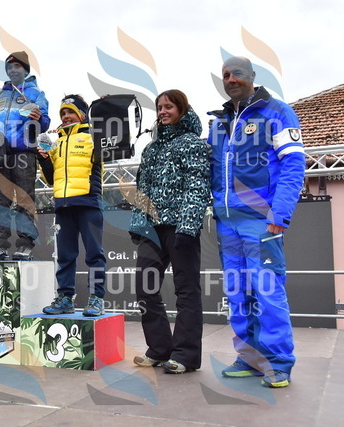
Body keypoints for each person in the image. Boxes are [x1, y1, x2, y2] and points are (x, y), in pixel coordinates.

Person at [207, 57, 305, 388]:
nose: (231, 79)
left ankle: (278, 362)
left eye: (237, 73)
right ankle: (249, 358)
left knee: (267, 289)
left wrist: (281, 212)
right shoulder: (219, 123)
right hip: (227, 221)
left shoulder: (277, 112)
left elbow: (293, 164)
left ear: (252, 76)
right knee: (237, 292)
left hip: (261, 220)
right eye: (225, 75)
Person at [129, 89, 210, 374]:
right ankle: (159, 349)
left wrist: (188, 226)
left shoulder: (192, 144)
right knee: (145, 287)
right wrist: (139, 224)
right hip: (152, 229)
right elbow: (142, 190)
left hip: (180, 227)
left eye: (169, 107)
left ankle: (186, 355)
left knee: (186, 290)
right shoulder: (150, 149)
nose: (163, 111)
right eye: (160, 107)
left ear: (182, 110)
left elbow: (197, 186)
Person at [38, 95, 106, 316]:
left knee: (94, 254)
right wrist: (44, 159)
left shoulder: (94, 136)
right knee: (65, 255)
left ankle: (96, 298)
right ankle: (65, 298)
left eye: (70, 112)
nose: (66, 116)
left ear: (82, 115)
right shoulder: (56, 142)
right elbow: (50, 178)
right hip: (63, 204)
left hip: (88, 201)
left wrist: (105, 109)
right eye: (63, 113)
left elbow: (114, 144)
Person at [0, 51, 50, 261]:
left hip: (24, 152)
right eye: (9, 67)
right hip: (0, 153)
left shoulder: (36, 93)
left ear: (25, 70)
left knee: (25, 199)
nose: (12, 70)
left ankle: (25, 245)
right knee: (0, 200)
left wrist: (39, 119)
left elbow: (45, 123)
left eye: (17, 66)